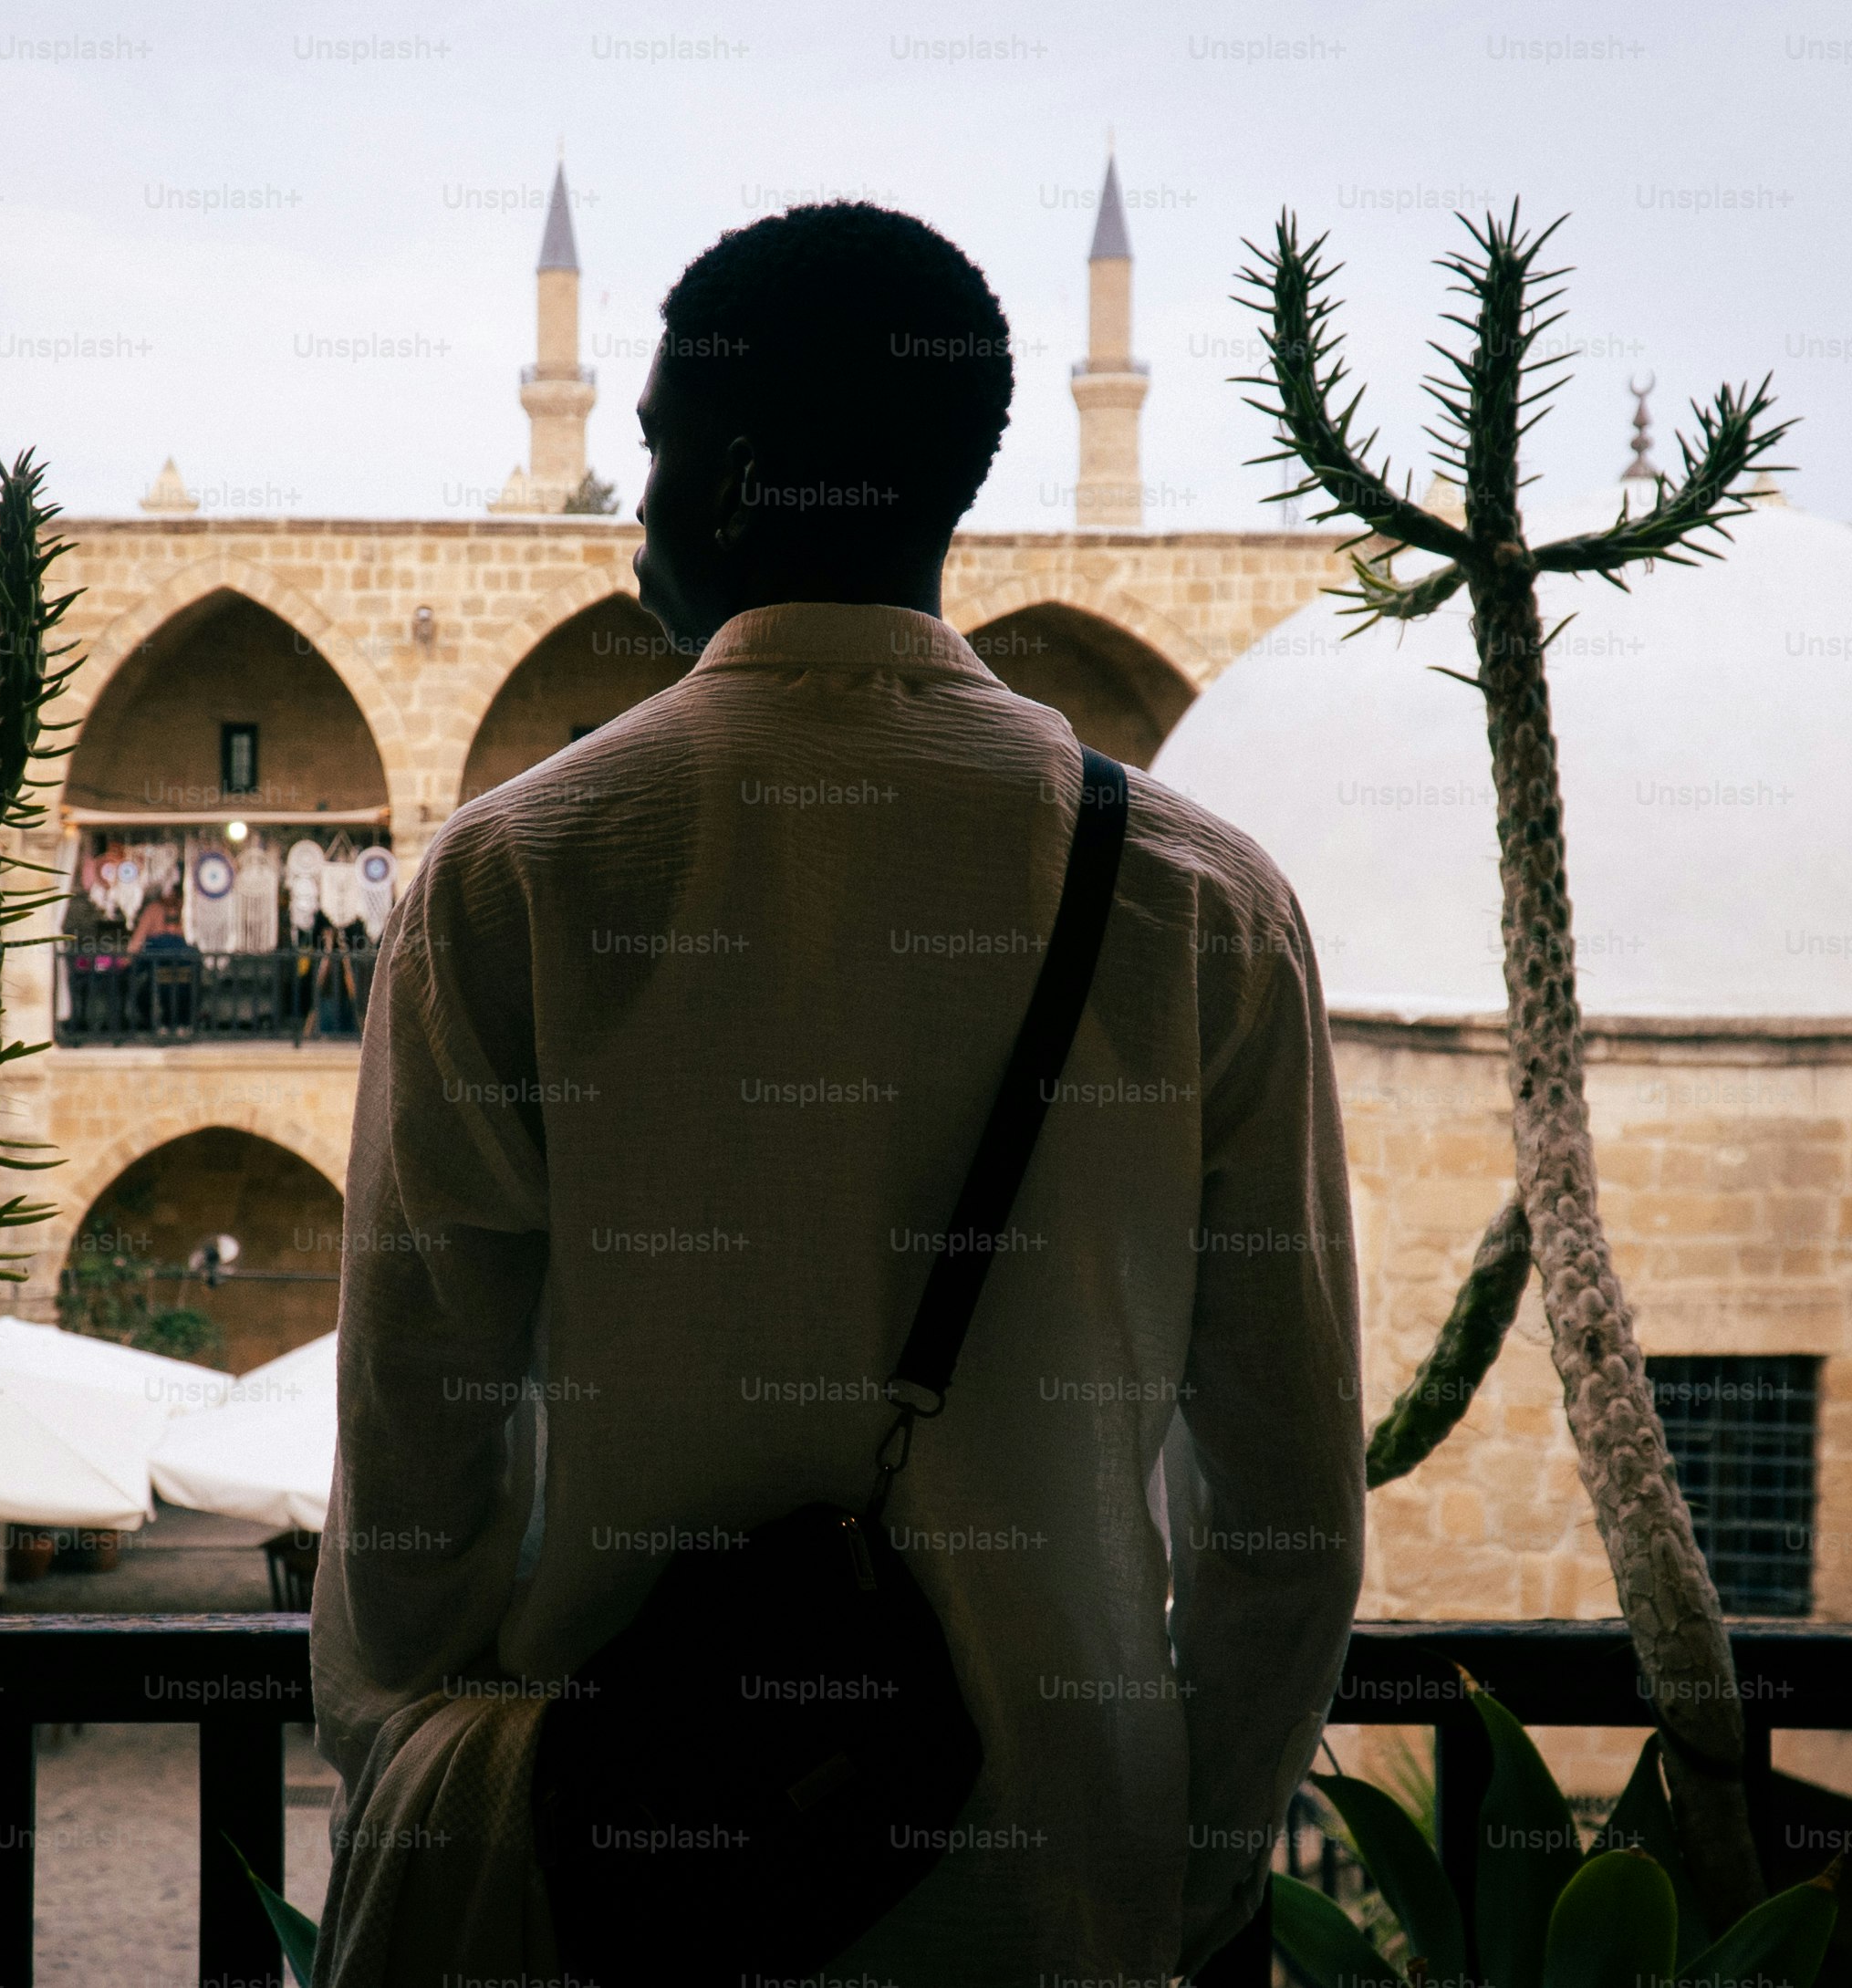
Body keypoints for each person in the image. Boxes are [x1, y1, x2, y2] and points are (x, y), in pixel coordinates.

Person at [310, 200, 1366, 1984]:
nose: (626, 508)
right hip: (1058, 1901)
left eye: (648, 452)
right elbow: (1282, 1521)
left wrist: (452, 1799)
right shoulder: (1203, 904)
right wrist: (1156, 1893)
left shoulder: (509, 879)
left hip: (622, 1883)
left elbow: (417, 1482)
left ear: (723, 480)